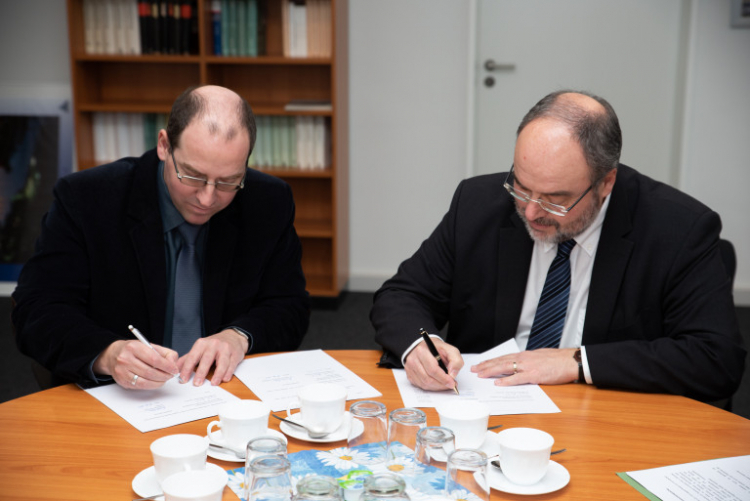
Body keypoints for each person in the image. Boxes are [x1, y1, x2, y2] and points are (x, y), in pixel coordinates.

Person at [371, 90, 745, 403]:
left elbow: (716, 358)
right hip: (485, 410)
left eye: (556, 199)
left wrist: (577, 362)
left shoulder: (678, 228)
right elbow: (402, 294)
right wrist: (422, 345)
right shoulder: (478, 203)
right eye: (521, 185)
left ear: (606, 182)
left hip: (604, 415)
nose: (531, 211)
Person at [12, 85, 309, 390]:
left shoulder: (269, 201)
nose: (207, 198)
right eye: (192, 176)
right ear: (164, 146)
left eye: (228, 181)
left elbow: (289, 305)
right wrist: (109, 354)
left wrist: (238, 336)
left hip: (222, 393)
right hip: (119, 397)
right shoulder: (87, 200)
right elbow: (37, 311)